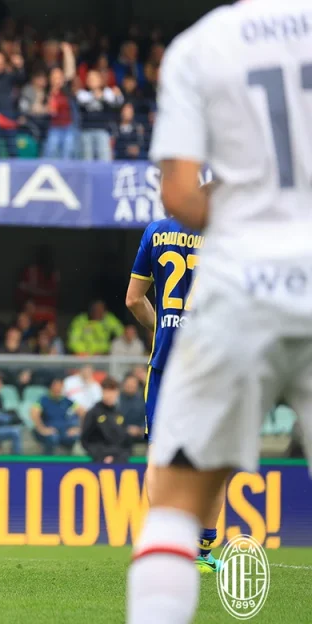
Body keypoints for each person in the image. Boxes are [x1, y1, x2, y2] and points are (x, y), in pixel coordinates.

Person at [126, 3, 312, 624]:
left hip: (238, 295)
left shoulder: (201, 45)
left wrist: (249, 230)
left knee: (176, 498)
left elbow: (179, 192)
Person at [126, 195, 223, 575]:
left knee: (159, 458)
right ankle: (202, 551)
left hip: (166, 362)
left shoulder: (156, 231)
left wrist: (161, 326)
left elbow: (133, 300)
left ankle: (165, 547)